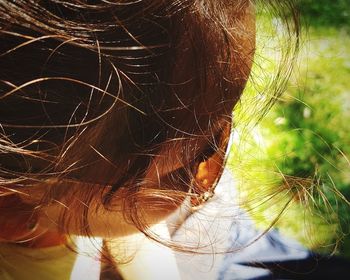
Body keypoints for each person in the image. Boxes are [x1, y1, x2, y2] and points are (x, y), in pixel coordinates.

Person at [2, 1, 347, 279]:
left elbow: (121, 215)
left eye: (221, 128)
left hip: (213, 237)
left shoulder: (63, 182)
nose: (217, 171)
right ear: (11, 206)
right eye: (193, 163)